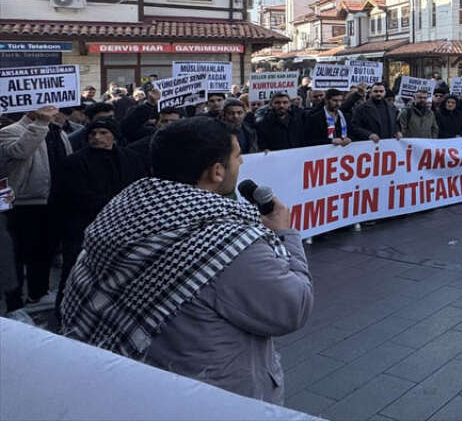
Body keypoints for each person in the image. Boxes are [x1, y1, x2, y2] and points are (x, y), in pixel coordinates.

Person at [59, 117, 312, 403]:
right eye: (237, 156)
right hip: (211, 398)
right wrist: (285, 235)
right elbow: (293, 308)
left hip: (132, 386)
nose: (241, 164)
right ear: (217, 171)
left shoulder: (120, 214)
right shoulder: (228, 244)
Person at [52, 119, 145, 319]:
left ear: (114, 136)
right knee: (74, 272)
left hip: (123, 227)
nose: (97, 137)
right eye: (93, 134)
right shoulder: (74, 162)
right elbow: (74, 195)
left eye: (103, 133)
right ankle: (64, 315)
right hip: (83, 228)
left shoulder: (131, 158)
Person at [0, 106, 71, 313]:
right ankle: (14, 305)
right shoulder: (9, 131)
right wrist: (40, 123)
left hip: (51, 202)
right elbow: (19, 152)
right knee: (16, 255)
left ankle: (37, 295)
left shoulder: (59, 132)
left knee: (43, 252)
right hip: (21, 203)